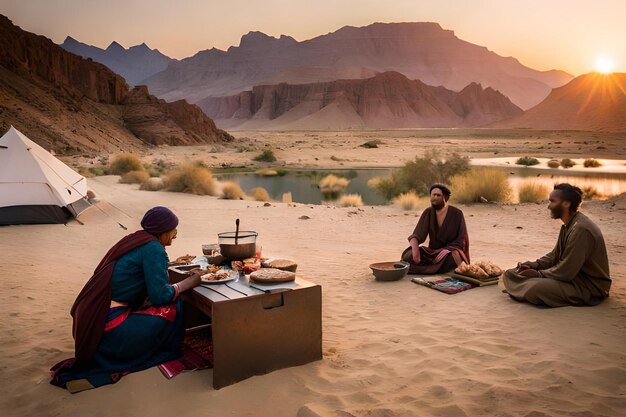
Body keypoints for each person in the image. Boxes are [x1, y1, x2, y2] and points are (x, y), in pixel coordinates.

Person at [50, 206, 202, 392]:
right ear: (163, 231)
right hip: (110, 332)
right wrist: (189, 282)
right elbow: (160, 295)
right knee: (173, 304)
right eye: (173, 230)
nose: (175, 235)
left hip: (95, 321)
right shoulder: (154, 248)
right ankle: (168, 350)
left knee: (164, 299)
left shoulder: (136, 239)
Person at [503, 183, 611, 307]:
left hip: (588, 287)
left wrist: (539, 274)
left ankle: (524, 289)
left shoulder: (581, 229)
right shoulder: (569, 224)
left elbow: (567, 270)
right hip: (571, 278)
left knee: (535, 287)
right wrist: (535, 264)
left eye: (552, 201)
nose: (549, 206)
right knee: (510, 273)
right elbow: (555, 255)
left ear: (566, 203)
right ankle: (522, 288)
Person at [401, 183, 470, 274]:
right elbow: (418, 235)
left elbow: (462, 240)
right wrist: (415, 250)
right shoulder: (428, 212)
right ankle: (434, 268)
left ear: (445, 197)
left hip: (450, 252)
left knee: (452, 259)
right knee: (407, 256)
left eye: (438, 195)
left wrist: (445, 251)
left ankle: (431, 268)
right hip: (433, 253)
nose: (435, 197)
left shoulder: (457, 214)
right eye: (433, 195)